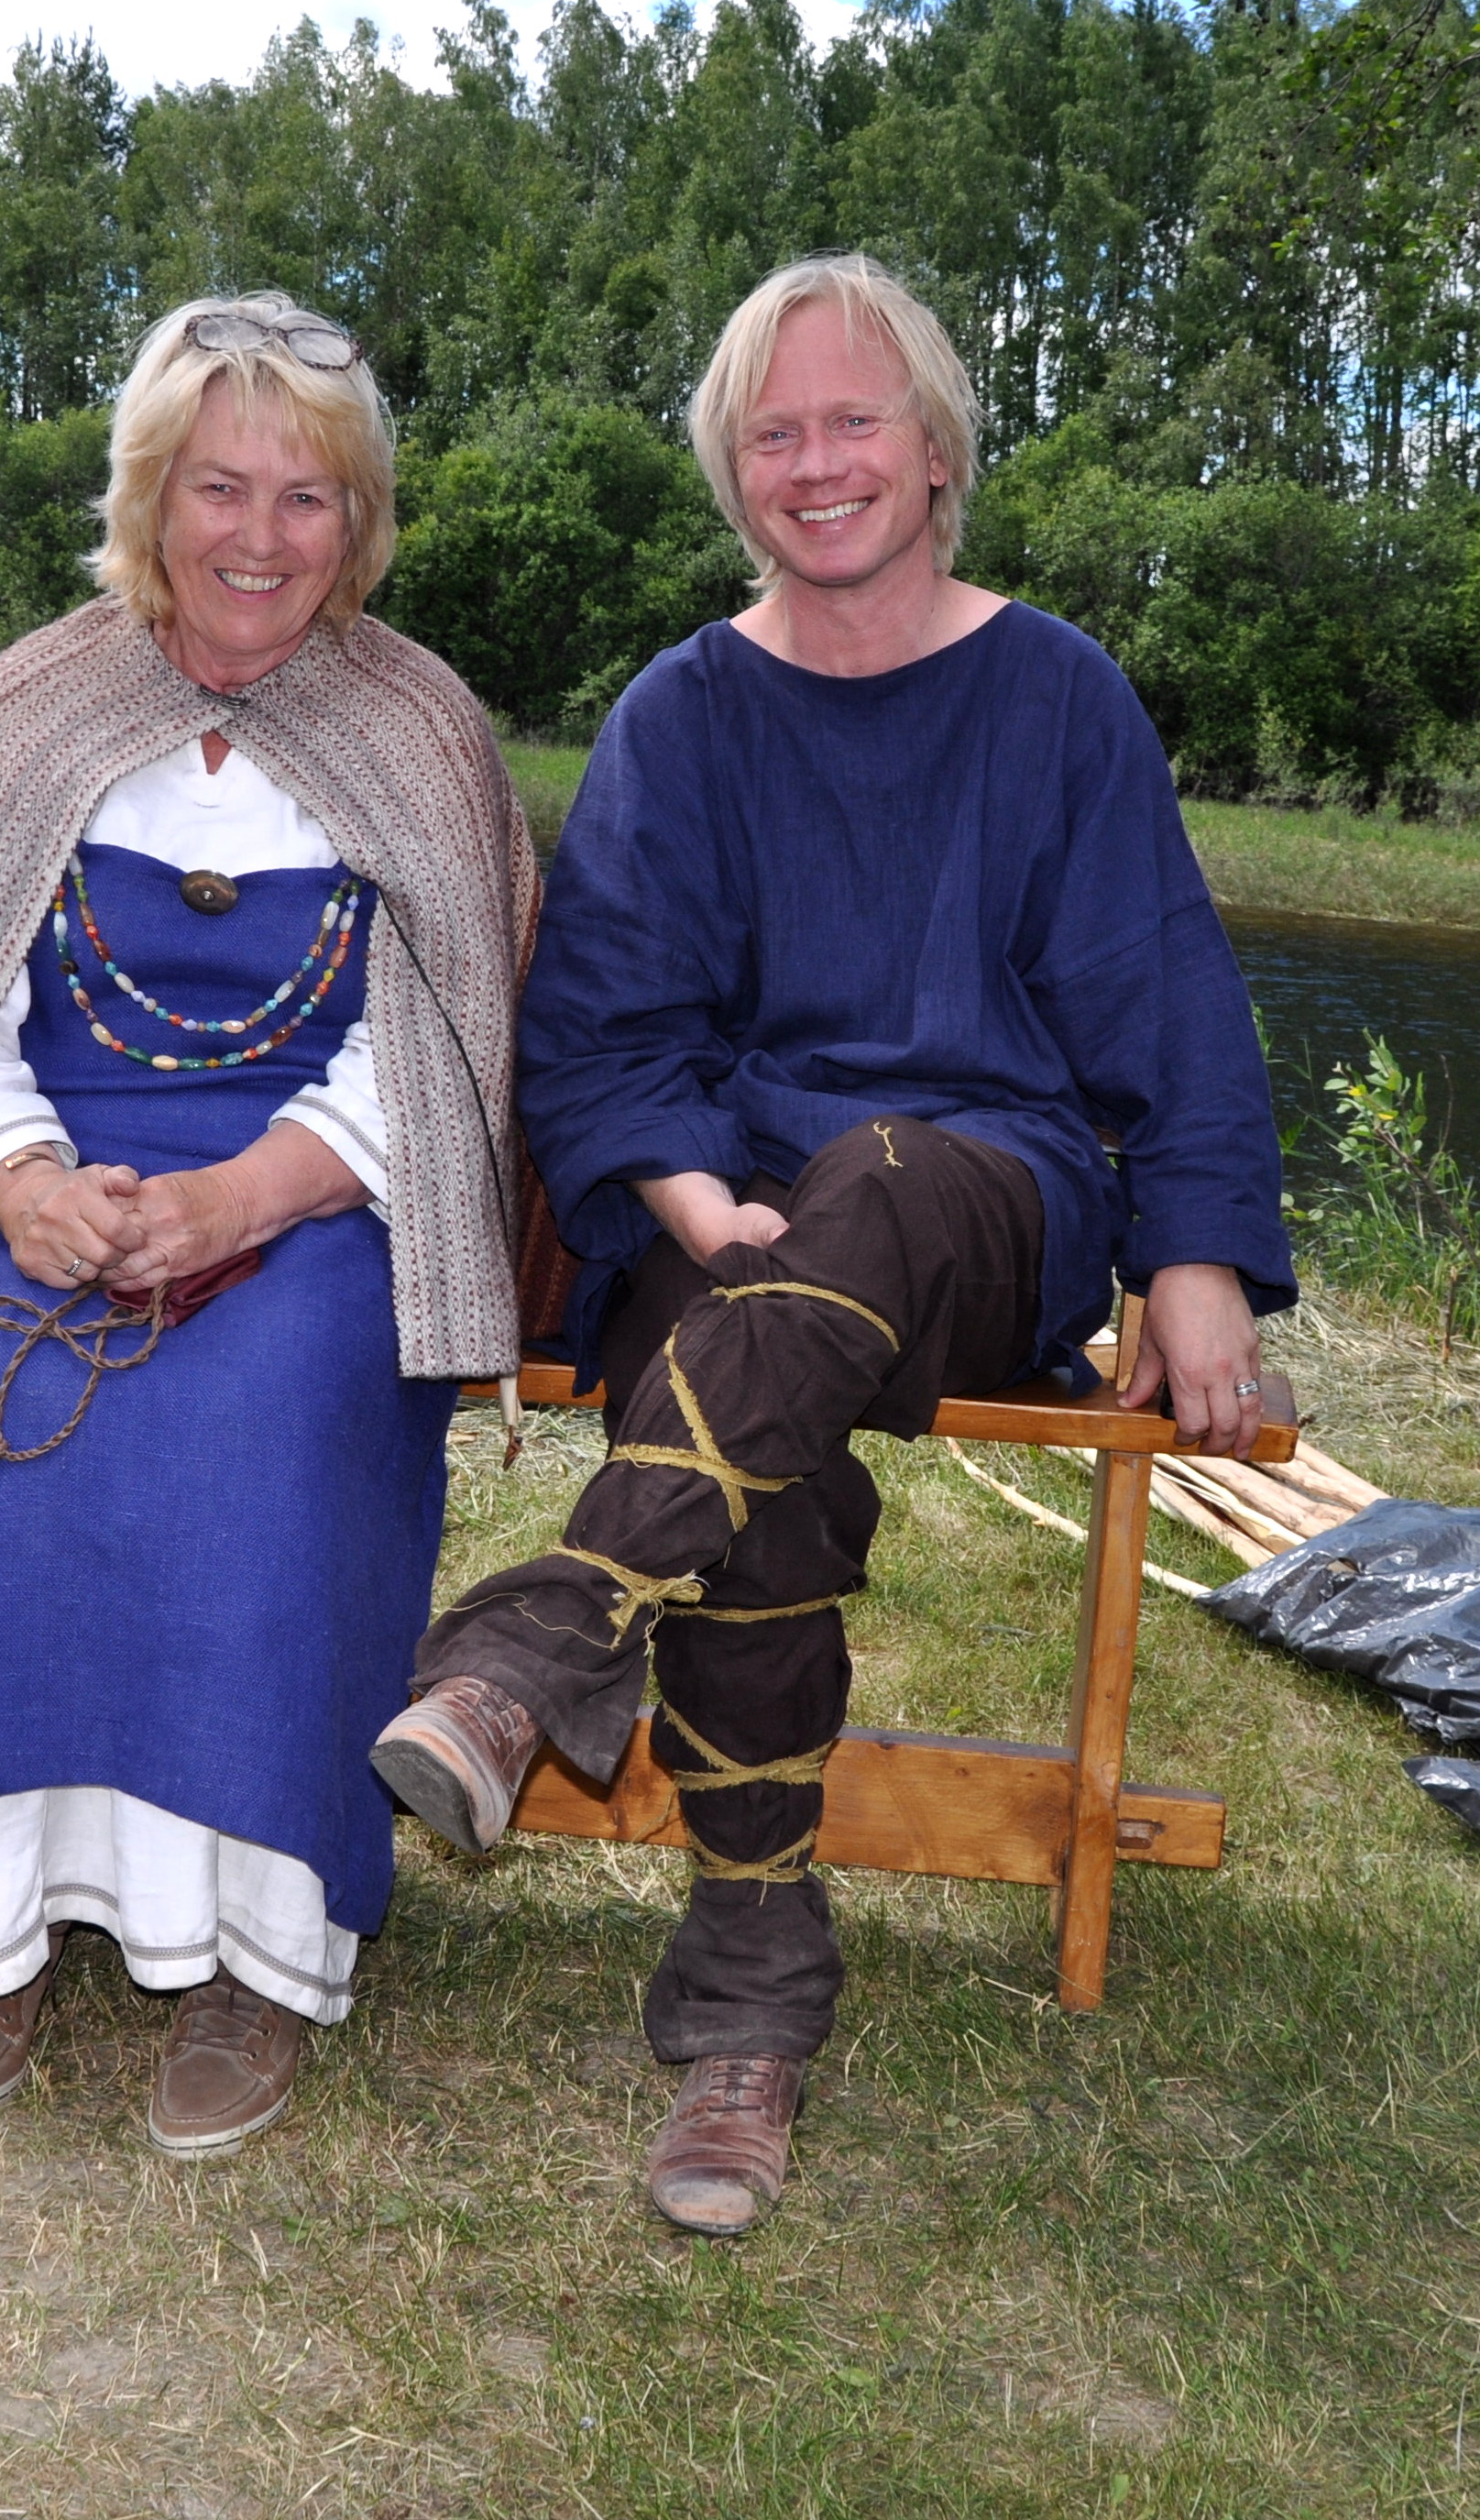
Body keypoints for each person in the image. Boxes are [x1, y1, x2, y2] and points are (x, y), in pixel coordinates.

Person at [371, 254, 1296, 2235]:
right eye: (773, 432)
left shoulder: (1055, 694)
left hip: (986, 1204)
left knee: (874, 1176)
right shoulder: (683, 715)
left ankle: (544, 1635)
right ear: (734, 472)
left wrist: (1198, 1250)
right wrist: (681, 1191)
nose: (816, 463)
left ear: (937, 446)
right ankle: (748, 1998)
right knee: (750, 1391)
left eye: (854, 420)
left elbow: (1165, 996)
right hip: (738, 1210)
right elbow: (603, 1028)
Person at [0, 293, 534, 2152]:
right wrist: (19, 1181)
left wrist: (251, 1191)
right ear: (151, 496)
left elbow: (450, 1039)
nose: (258, 535)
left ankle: (257, 1953)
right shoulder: (38, 701)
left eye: (307, 496)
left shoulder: (419, 724)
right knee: (19, 1391)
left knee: (279, 1405)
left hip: (325, 1195)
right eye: (218, 486)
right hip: (60, 1185)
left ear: (359, 522)